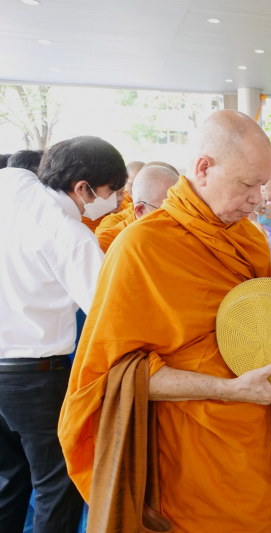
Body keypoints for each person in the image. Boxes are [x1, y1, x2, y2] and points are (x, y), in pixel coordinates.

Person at [59, 111, 271, 533]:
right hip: (184, 460)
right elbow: (111, 375)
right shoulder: (141, 247)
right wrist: (228, 390)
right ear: (203, 168)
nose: (259, 198)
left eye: (261, 184)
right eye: (247, 184)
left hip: (247, 447)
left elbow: (261, 331)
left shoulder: (248, 238)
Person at [0, 136, 126, 533]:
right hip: (34, 377)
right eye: (112, 191)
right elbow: (109, 313)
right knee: (58, 482)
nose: (117, 201)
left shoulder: (12, 190)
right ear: (82, 187)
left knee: (9, 479)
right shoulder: (71, 235)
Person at [95, 165, 179, 252]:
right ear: (140, 209)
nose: (175, 217)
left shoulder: (183, 227)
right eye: (165, 211)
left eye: (179, 207)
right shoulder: (107, 241)